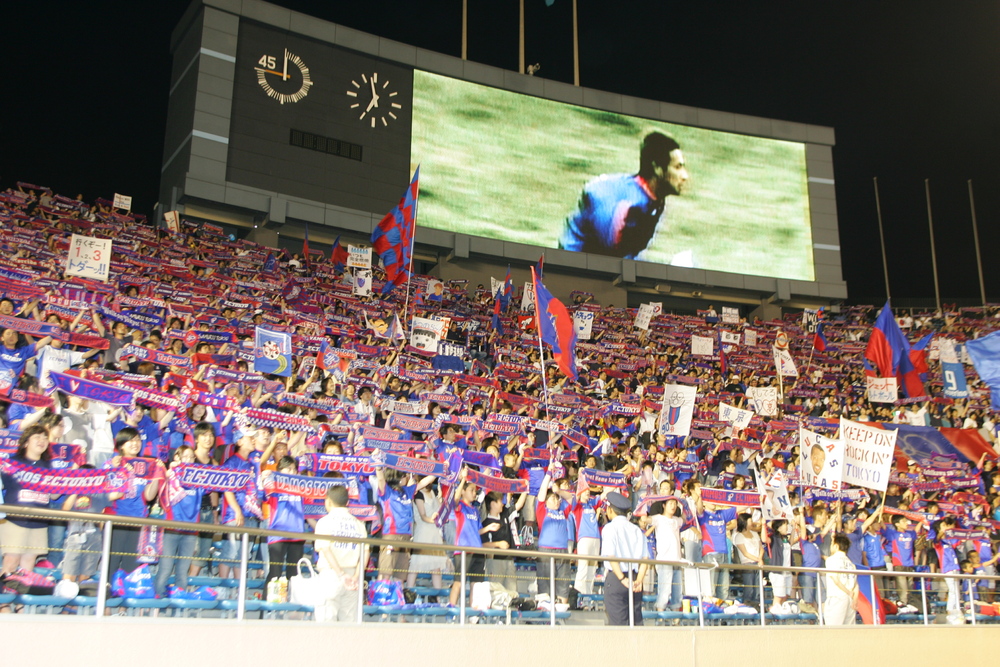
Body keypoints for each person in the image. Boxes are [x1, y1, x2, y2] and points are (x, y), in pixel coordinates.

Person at [558, 131, 689, 261]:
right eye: (677, 167)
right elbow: (612, 254)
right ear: (657, 169)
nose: (685, 176)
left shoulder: (655, 200)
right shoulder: (623, 205)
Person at [314, 485, 366, 623]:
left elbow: (325, 549)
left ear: (328, 501)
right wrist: (356, 576)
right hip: (353, 577)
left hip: (331, 574)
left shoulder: (324, 522)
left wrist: (341, 574)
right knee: (349, 623)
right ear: (347, 502)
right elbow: (365, 552)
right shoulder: (359, 524)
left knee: (326, 621)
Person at [600, 492, 648, 626]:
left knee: (618, 625)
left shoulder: (609, 528)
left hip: (617, 578)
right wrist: (639, 580)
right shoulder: (636, 529)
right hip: (635, 578)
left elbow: (611, 557)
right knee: (636, 622)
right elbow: (645, 558)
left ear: (610, 510)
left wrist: (622, 578)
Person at [823, 534, 858, 625]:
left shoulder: (831, 560)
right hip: (850, 599)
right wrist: (854, 599)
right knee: (848, 628)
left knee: (833, 628)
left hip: (837, 596)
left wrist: (848, 592)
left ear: (836, 546)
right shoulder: (851, 563)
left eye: (831, 544)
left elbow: (836, 580)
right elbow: (856, 584)